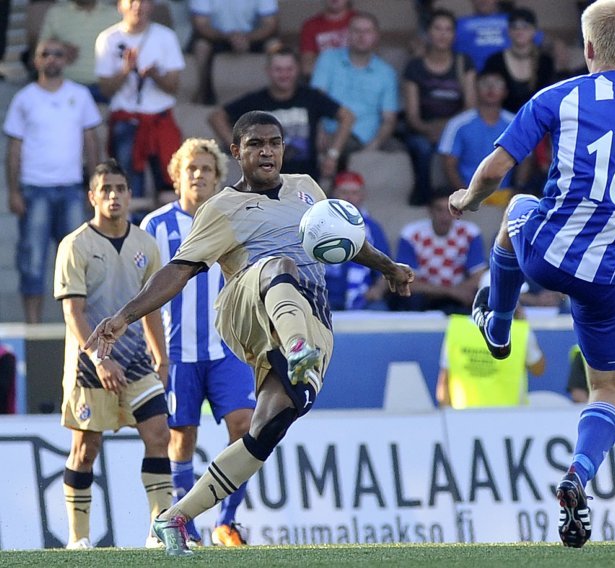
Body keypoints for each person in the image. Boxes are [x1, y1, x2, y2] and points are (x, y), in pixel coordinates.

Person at [448, 0, 615, 548]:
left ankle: (500, 323)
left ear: (590, 49)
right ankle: (578, 472)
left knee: (518, 207)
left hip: (548, 254)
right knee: (607, 390)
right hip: (614, 276)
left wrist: (468, 197)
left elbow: (497, 167)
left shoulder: (561, 96)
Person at [84, 111, 414, 556]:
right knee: (279, 265)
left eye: (274, 143)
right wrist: (124, 316)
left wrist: (389, 267)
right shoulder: (221, 207)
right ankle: (296, 347)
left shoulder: (306, 190)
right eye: (256, 144)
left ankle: (175, 517)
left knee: (266, 428)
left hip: (313, 318)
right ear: (236, 151)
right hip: (247, 310)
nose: (267, 151)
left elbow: (347, 238)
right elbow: (179, 271)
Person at [140, 138, 256, 547]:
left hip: (228, 348)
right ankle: (183, 525)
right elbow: (148, 293)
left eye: (207, 169)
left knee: (245, 427)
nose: (199, 175)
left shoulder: (232, 219)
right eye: (191, 169)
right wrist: (159, 353)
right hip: (179, 351)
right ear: (176, 177)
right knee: (182, 436)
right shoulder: (155, 226)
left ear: (217, 177)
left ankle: (227, 521)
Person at [54, 159, 172, 550]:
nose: (114, 196)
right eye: (105, 189)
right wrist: (99, 359)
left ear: (129, 194)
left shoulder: (145, 244)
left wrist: (162, 357)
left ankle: (159, 532)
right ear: (92, 196)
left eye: (120, 188)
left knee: (158, 435)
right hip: (91, 364)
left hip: (138, 358)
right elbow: (73, 311)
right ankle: (78, 537)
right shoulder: (75, 245)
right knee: (85, 449)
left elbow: (152, 306)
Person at [4, 38, 101, 324]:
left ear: (66, 59)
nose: (51, 59)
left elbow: (92, 142)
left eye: (57, 54)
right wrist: (13, 191)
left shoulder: (80, 95)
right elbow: (14, 149)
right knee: (32, 261)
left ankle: (77, 325)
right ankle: (33, 326)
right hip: (34, 189)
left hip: (71, 188)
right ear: (35, 61)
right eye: (45, 54)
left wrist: (94, 186)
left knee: (77, 263)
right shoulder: (25, 98)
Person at [208, 46, 355, 181]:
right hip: (265, 181)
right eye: (278, 70)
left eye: (289, 69)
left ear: (297, 69)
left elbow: (347, 116)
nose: (284, 75)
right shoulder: (256, 100)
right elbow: (217, 117)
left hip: (305, 180)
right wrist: (241, 151)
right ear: (268, 71)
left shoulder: (311, 97)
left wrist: (332, 155)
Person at [95, 0, 185, 203]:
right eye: (132, 1)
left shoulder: (165, 36)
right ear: (120, 6)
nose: (138, 6)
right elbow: (106, 89)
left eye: (144, 1)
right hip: (126, 120)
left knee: (170, 185)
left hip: (160, 119)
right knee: (127, 187)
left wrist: (154, 75)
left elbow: (173, 86)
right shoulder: (108, 38)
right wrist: (126, 71)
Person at [402, 9, 477, 206]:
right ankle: (426, 199)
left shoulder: (463, 62)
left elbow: (470, 107)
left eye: (448, 29)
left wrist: (447, 130)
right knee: (422, 147)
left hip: (455, 128)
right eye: (437, 28)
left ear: (454, 35)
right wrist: (428, 129)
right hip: (424, 129)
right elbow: (412, 115)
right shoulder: (415, 66)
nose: (443, 34)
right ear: (428, 33)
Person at [437, 276, 545, 409]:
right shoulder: (519, 330)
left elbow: (444, 381)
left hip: (464, 420)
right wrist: (523, 324)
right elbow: (538, 369)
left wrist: (446, 415)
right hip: (509, 420)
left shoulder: (457, 328)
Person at [311, 12, 400, 162]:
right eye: (356, 31)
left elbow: (389, 119)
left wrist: (373, 147)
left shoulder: (386, 73)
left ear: (376, 36)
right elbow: (315, 100)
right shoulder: (328, 59)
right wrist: (318, 130)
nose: (361, 36)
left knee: (402, 152)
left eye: (367, 31)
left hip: (365, 137)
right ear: (347, 34)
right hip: (329, 133)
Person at [393, 188, 486, 314]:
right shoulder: (411, 234)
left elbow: (479, 275)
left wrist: (459, 292)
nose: (445, 216)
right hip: (425, 296)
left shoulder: (470, 233)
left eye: (450, 210)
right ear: (429, 210)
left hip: (460, 295)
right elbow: (407, 282)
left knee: (481, 296)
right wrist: (450, 291)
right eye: (439, 209)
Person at [438, 69, 516, 207]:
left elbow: (527, 160)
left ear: (505, 92)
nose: (491, 88)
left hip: (505, 196)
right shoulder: (458, 124)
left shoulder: (515, 123)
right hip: (469, 195)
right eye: (485, 84)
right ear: (476, 90)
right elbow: (449, 163)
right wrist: (465, 196)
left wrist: (518, 188)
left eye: (497, 84)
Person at [187, 0, 279, 105]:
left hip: (252, 37)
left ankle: (279, 94)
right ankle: (203, 94)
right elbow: (201, 25)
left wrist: (247, 38)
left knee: (274, 45)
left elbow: (270, 24)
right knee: (201, 47)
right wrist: (228, 37)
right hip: (217, 37)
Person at [324, 171, 391, 310]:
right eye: (343, 192)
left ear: (362, 195)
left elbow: (386, 268)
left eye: (354, 193)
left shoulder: (372, 228)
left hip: (363, 298)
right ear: (333, 194)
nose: (349, 198)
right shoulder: (319, 224)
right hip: (324, 297)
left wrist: (377, 291)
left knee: (380, 310)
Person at [39, 0, 121, 102]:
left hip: (104, 91)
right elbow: (41, 52)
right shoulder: (56, 13)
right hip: (67, 90)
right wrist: (60, 49)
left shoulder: (115, 14)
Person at [483, 7, 555, 113]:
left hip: (539, 122)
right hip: (503, 124)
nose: (520, 31)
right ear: (508, 31)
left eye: (525, 27)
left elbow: (550, 98)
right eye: (515, 27)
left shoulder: (545, 62)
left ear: (534, 31)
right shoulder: (495, 61)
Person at [299, 0, 355, 79]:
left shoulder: (361, 22)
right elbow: (307, 68)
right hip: (324, 82)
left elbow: (369, 60)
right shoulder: (310, 26)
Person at [454, 0, 510, 72]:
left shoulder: (513, 21)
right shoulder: (459, 25)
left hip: (509, 77)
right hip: (471, 77)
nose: (483, 1)